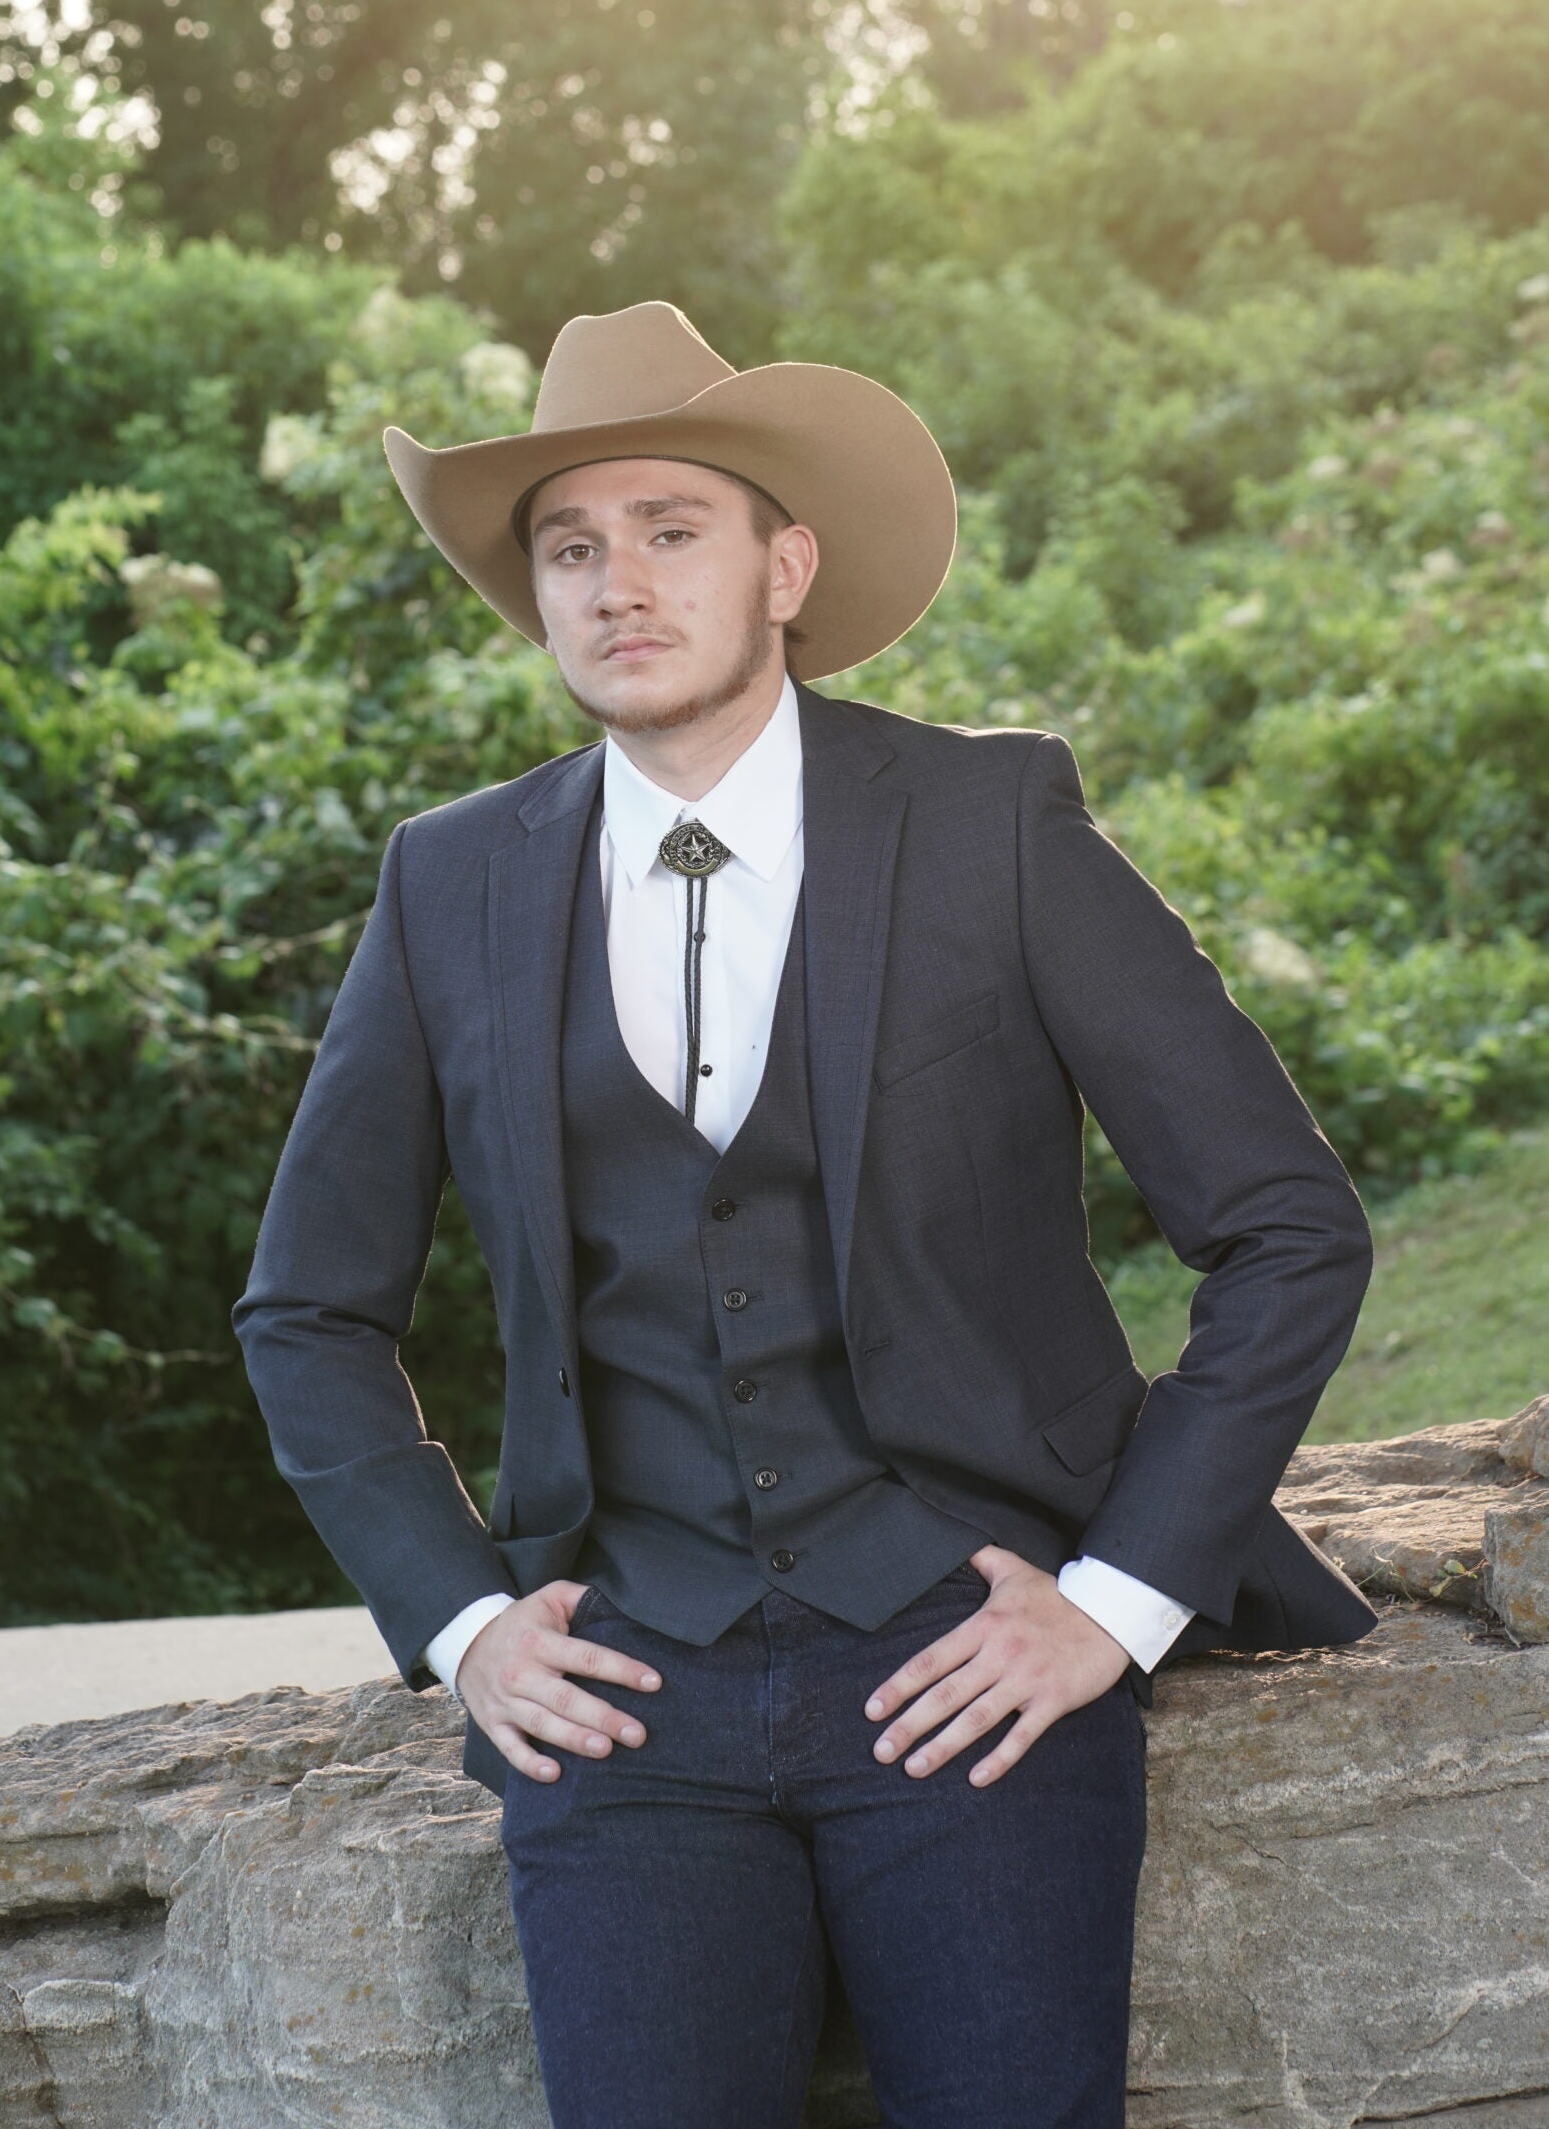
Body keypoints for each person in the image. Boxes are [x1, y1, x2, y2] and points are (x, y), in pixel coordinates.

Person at [232, 299, 1377, 2128]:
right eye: (570, 547)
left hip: (971, 1660)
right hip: (628, 1693)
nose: (618, 582)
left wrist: (1114, 1602)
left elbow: (1286, 1225)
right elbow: (306, 1311)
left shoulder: (990, 821)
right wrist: (465, 1626)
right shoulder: (450, 885)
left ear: (787, 567)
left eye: (670, 529)